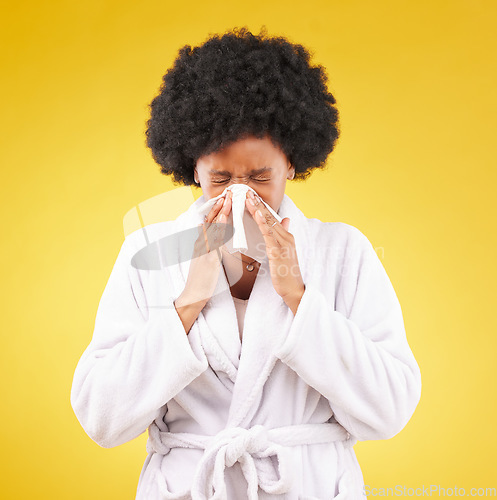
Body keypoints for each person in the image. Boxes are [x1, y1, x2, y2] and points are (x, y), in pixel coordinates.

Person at [70, 27, 422, 499]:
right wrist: (188, 302)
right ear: (192, 168)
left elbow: (390, 409)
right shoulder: (147, 254)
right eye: (220, 179)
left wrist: (299, 298)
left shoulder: (344, 251)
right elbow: (101, 417)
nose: (240, 196)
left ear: (292, 164)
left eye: (260, 178)